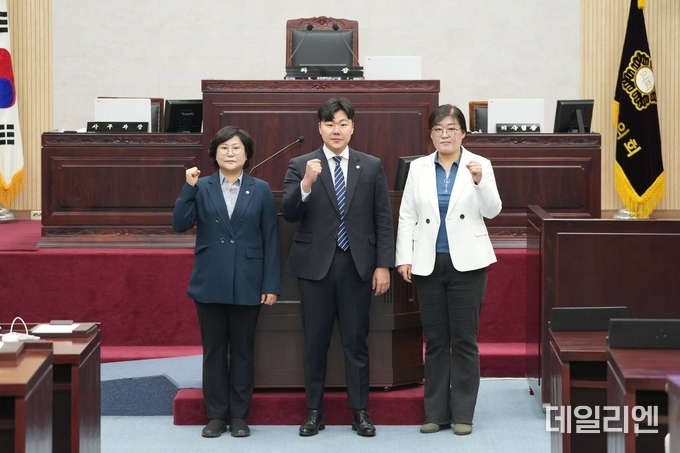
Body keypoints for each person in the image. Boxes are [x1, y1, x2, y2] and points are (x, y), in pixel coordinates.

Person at [282, 97, 394, 437]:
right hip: (315, 267)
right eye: (330, 124)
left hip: (357, 265)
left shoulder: (370, 165)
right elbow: (290, 213)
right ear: (320, 128)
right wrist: (306, 184)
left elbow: (382, 219)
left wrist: (383, 265)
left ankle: (360, 412)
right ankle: (314, 412)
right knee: (315, 342)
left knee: (356, 342)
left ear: (352, 127)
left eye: (343, 123)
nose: (336, 130)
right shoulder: (301, 164)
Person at [395, 104, 502, 436]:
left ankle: (463, 414)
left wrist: (480, 181)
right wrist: (404, 257)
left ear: (463, 133)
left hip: (468, 263)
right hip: (428, 262)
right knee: (436, 340)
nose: (445, 135)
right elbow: (407, 214)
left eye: (452, 129)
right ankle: (435, 413)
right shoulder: (418, 168)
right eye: (439, 129)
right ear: (430, 134)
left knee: (465, 340)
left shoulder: (480, 165)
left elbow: (493, 210)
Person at [172, 125, 280, 439]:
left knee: (243, 352)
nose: (230, 153)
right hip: (211, 280)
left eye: (236, 148)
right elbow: (179, 224)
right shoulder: (201, 186)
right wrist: (187, 188)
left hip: (248, 280)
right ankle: (217, 415)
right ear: (214, 154)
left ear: (247, 155)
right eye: (224, 148)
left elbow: (271, 239)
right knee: (214, 351)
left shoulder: (260, 189)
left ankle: (240, 416)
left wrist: (270, 284)